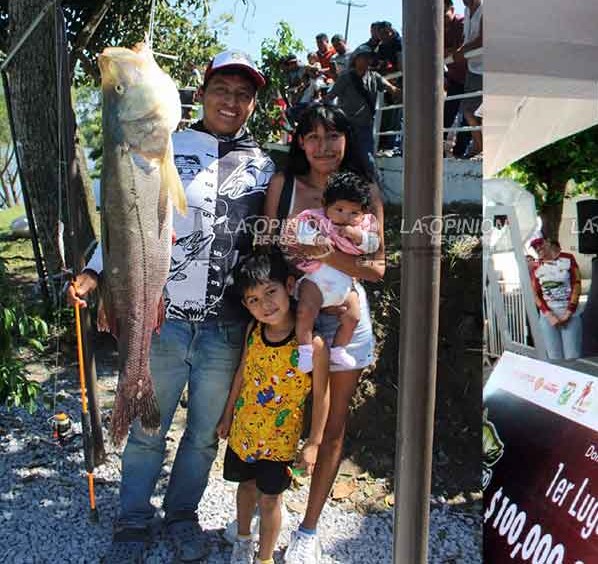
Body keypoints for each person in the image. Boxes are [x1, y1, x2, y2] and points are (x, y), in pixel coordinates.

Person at [69, 49, 275, 563]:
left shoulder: (265, 166)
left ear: (253, 104)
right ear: (200, 92)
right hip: (162, 319)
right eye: (222, 90)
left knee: (204, 435)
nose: (232, 101)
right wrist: (96, 272)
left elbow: (270, 240)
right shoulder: (162, 143)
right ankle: (133, 519)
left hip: (227, 327)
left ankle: (182, 515)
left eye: (244, 94)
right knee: (146, 430)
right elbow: (126, 218)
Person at [262, 104, 384, 563]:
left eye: (333, 135)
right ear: (299, 142)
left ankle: (309, 530)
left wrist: (325, 252)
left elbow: (376, 268)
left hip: (348, 316)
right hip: (292, 314)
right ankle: (264, 506)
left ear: (347, 140)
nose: (323, 146)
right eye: (312, 136)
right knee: (276, 409)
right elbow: (267, 251)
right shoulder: (284, 185)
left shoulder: (365, 193)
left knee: (332, 427)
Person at [218, 252, 330, 564]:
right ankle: (242, 542)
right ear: (245, 305)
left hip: (280, 443)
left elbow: (322, 394)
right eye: (253, 299)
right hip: (244, 435)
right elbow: (242, 372)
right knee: (245, 489)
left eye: (271, 292)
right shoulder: (253, 330)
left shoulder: (311, 345)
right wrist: (227, 415)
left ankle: (264, 558)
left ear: (290, 286)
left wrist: (314, 444)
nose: (265, 305)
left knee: (270, 502)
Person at [286, 171, 381, 374]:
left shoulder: (364, 226)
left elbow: (374, 244)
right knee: (305, 311)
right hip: (316, 278)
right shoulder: (315, 218)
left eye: (353, 213)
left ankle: (339, 348)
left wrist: (359, 237)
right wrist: (318, 240)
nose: (345, 217)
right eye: (339, 209)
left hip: (345, 282)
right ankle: (305, 350)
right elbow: (300, 231)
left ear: (363, 213)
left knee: (353, 316)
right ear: (325, 204)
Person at [324, 46, 400, 175]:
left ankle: (373, 188)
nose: (366, 60)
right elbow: (330, 97)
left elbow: (390, 88)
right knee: (343, 161)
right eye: (363, 57)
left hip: (365, 126)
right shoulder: (345, 77)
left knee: (368, 161)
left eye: (368, 57)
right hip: (346, 127)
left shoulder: (374, 77)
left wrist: (397, 92)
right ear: (355, 59)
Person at [529, 238, 584, 360]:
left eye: (540, 244)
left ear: (548, 242)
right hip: (548, 318)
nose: (538, 248)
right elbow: (535, 294)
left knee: (572, 358)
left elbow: (577, 284)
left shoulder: (568, 258)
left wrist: (569, 312)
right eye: (534, 247)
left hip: (569, 315)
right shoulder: (536, 266)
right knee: (554, 359)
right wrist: (549, 315)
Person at [452, 0, 483, 157]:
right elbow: (468, 40)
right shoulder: (466, 11)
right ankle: (479, 145)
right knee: (468, 110)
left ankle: (480, 146)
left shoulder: (485, 10)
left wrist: (462, 52)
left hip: (486, 69)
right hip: (473, 68)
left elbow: (482, 39)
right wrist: (457, 52)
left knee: (477, 110)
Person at [444, 0, 470, 157]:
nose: (441, 16)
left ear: (452, 10)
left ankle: (461, 152)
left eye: (444, 11)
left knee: (468, 115)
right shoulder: (436, 28)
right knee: (447, 114)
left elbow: (461, 48)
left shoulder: (461, 23)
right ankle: (439, 149)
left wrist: (449, 51)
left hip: (470, 75)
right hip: (454, 78)